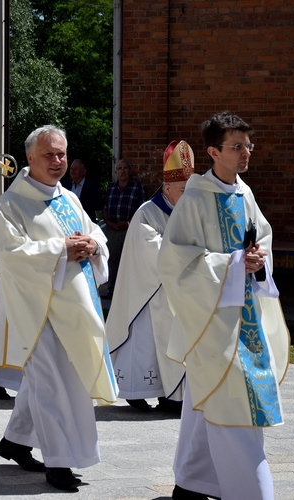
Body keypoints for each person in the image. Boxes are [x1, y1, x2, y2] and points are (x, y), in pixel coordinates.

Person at [158, 111, 288, 500]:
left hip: (244, 317)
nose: (246, 152)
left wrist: (258, 257)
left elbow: (260, 235)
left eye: (248, 144)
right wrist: (232, 263)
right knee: (233, 407)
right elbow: (174, 262)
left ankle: (194, 483)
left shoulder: (244, 193)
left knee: (207, 399)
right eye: (237, 146)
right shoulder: (195, 198)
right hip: (212, 324)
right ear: (214, 152)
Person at [0, 124, 117, 491]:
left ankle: (15, 441)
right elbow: (11, 255)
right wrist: (61, 249)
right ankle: (58, 462)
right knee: (50, 383)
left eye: (61, 154)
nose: (58, 161)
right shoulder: (11, 204)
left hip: (76, 305)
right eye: (49, 154)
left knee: (62, 378)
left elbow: (92, 231)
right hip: (38, 309)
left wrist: (92, 245)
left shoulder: (68, 198)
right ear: (30, 158)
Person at [106, 140, 192, 413]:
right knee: (145, 344)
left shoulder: (188, 212)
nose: (188, 195)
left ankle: (173, 395)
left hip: (177, 295)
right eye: (182, 190)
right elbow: (153, 253)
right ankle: (140, 392)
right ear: (167, 189)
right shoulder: (147, 212)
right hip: (148, 294)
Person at [101, 158, 145, 298]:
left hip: (129, 230)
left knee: (129, 260)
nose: (122, 171)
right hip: (112, 230)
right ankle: (112, 290)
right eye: (119, 168)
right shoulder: (111, 188)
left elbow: (142, 210)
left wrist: (128, 223)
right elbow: (105, 209)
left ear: (130, 171)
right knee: (112, 260)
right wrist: (109, 223)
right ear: (116, 172)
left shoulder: (138, 188)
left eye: (125, 168)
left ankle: (128, 292)